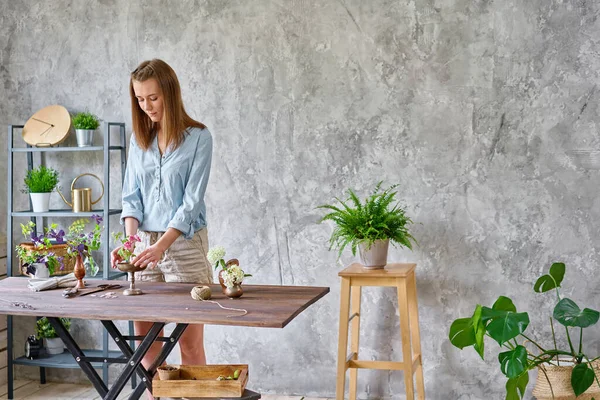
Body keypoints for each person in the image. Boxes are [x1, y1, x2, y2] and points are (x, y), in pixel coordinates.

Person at [111, 59, 213, 399]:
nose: (146, 106)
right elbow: (131, 199)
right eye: (140, 99)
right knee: (145, 341)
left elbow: (191, 203)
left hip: (183, 244)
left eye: (152, 97)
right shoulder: (138, 139)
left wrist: (162, 246)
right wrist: (130, 245)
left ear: (169, 92)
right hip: (144, 244)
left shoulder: (199, 137)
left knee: (190, 342)